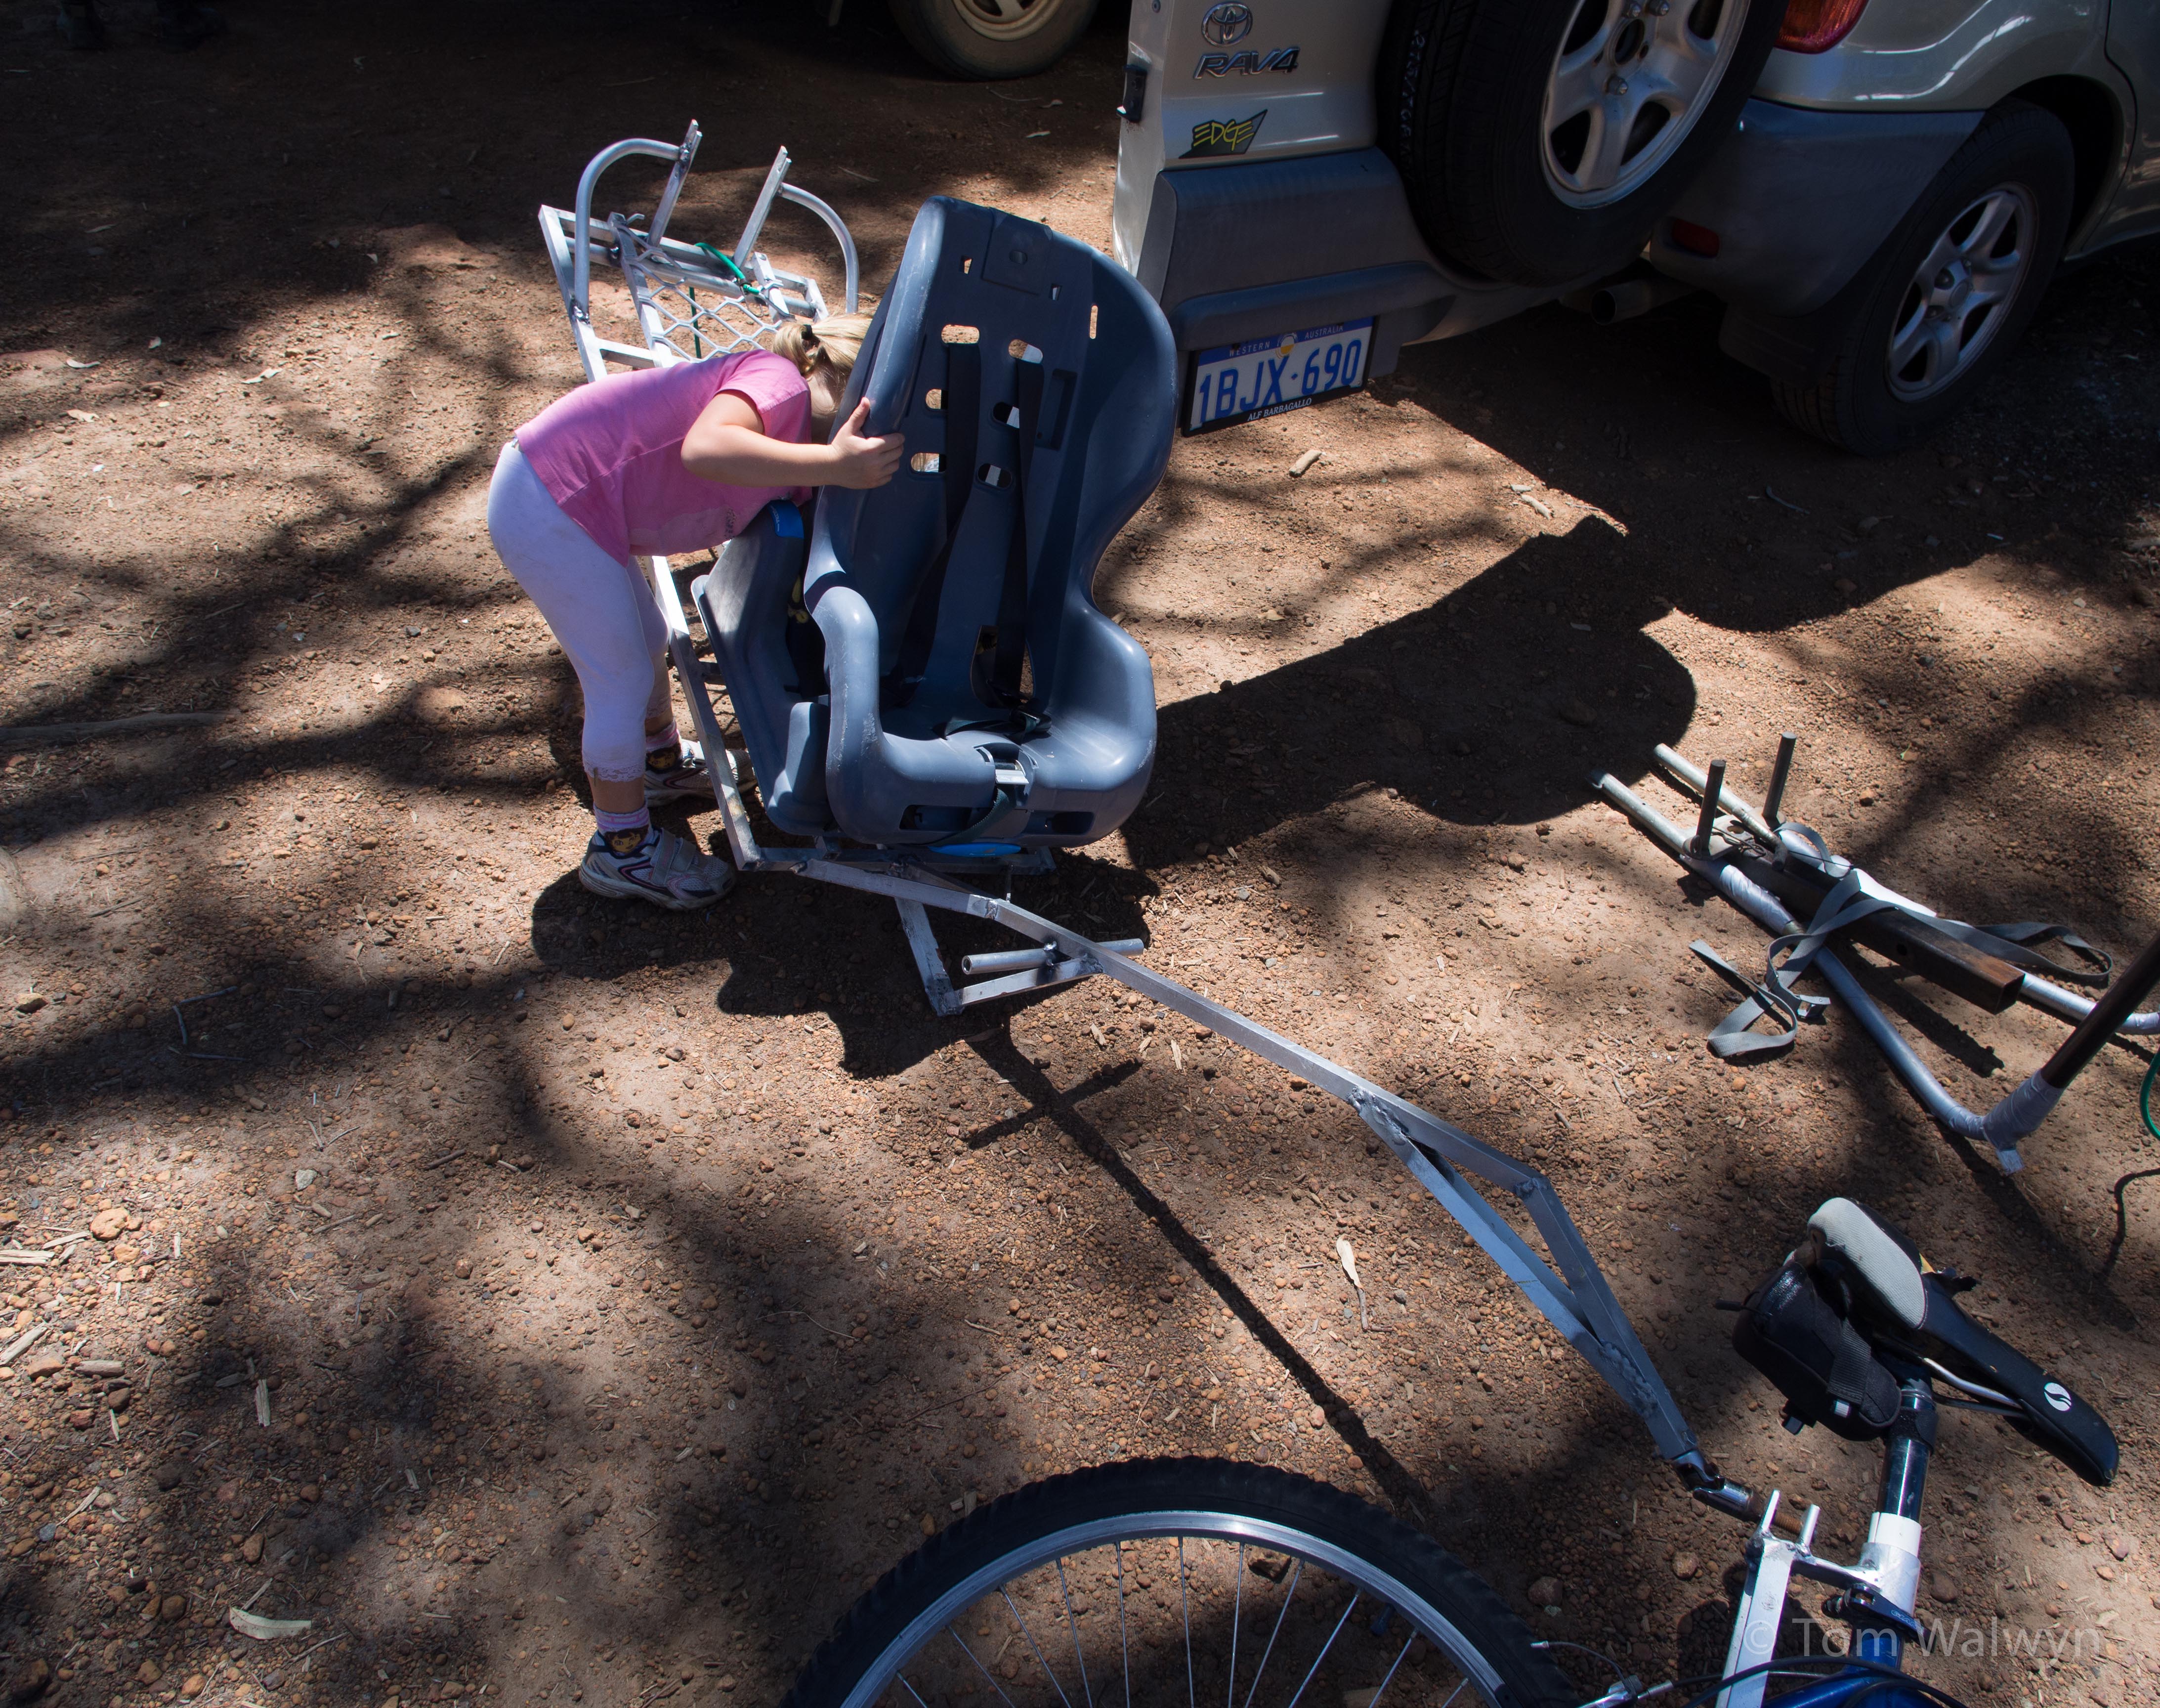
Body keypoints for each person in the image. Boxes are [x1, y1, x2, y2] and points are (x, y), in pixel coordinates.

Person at [486, 315, 899, 909]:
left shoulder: (800, 437)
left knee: (649, 638)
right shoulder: (779, 382)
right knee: (620, 678)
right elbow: (705, 448)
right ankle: (622, 850)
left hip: (574, 498)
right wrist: (835, 464)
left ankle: (659, 764)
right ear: (831, 371)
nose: (865, 423)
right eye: (862, 400)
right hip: (551, 496)